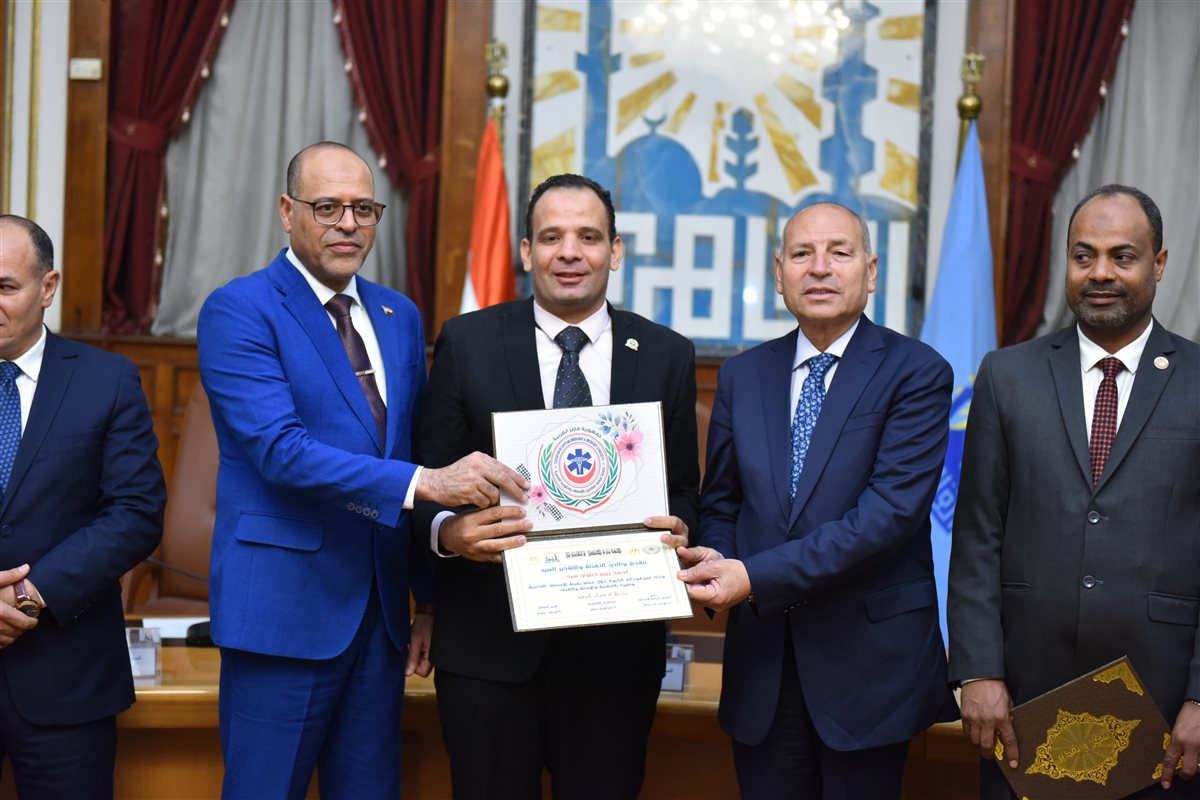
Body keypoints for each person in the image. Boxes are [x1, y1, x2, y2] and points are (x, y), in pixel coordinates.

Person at [197, 142, 527, 799]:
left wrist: (427, 601)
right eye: (327, 207)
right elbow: (280, 450)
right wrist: (425, 483)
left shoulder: (398, 315)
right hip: (283, 615)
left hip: (380, 620)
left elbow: (408, 445)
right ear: (287, 211)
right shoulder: (240, 309)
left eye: (364, 208)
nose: (348, 224)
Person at [414, 173, 699, 799]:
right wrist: (448, 534)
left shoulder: (667, 355)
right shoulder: (468, 343)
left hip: (615, 659)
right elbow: (423, 486)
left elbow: (684, 492)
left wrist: (680, 528)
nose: (570, 252)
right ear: (526, 251)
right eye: (551, 237)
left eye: (588, 237)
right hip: (489, 651)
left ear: (615, 252)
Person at [677, 202, 958, 798]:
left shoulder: (917, 372)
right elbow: (722, 502)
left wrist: (752, 577)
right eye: (802, 254)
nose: (820, 268)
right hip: (763, 666)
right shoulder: (743, 375)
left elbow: (886, 517)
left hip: (870, 671)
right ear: (779, 274)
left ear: (871, 271)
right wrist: (714, 559)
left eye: (840, 252)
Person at [948, 185, 1200, 799]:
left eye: (1123, 256)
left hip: (1163, 708)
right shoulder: (1007, 375)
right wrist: (977, 670)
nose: (1100, 273)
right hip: (1022, 701)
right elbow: (977, 535)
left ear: (1159, 264)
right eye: (1083, 256)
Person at [0, 214, 165, 799]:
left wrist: (28, 595)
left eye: (5, 287)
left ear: (48, 287)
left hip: (66, 678)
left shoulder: (107, 381)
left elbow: (136, 513)